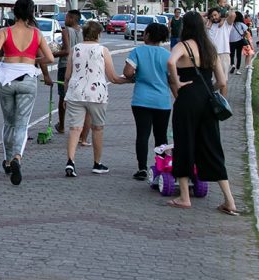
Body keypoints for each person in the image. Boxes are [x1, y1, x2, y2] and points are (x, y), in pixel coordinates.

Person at [166, 11, 239, 214]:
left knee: (184, 143)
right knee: (212, 146)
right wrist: (207, 87)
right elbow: (222, 82)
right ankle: (230, 200)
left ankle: (184, 197)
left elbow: (171, 62)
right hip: (207, 100)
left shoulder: (183, 45)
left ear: (185, 26)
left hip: (187, 99)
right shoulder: (210, 48)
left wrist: (178, 82)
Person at [0, 0, 54, 186]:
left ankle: (8, 162)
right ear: (31, 13)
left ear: (14, 12)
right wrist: (32, 60)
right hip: (27, 80)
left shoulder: (5, 31)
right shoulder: (37, 34)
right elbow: (49, 58)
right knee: (21, 124)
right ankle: (17, 157)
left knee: (9, 122)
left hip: (7, 80)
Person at [64, 21, 127, 177]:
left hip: (75, 92)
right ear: (98, 34)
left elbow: (67, 76)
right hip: (97, 94)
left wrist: (66, 94)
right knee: (97, 128)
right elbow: (112, 77)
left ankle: (71, 162)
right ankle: (97, 163)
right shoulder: (103, 50)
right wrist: (129, 80)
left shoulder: (75, 49)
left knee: (75, 128)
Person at [123, 22, 172, 180]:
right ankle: (162, 167)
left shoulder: (137, 51)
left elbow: (128, 72)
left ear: (148, 35)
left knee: (142, 135)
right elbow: (172, 78)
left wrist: (136, 76)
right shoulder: (167, 55)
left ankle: (142, 168)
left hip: (141, 100)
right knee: (161, 136)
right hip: (162, 101)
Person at [52, 10, 83, 135]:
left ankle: (62, 125)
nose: (64, 19)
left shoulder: (66, 31)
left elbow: (66, 51)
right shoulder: (82, 31)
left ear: (71, 18)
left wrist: (52, 54)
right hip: (79, 66)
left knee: (63, 95)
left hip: (65, 65)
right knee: (77, 96)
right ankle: (78, 126)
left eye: (66, 17)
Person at [205, 8, 234, 76]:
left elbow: (232, 14)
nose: (214, 17)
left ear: (219, 14)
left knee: (222, 80)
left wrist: (224, 17)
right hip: (210, 54)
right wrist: (207, 13)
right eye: (212, 16)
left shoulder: (226, 24)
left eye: (215, 15)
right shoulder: (208, 24)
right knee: (209, 78)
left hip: (223, 54)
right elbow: (197, 16)